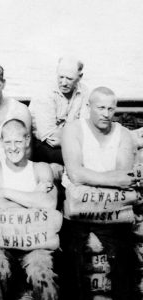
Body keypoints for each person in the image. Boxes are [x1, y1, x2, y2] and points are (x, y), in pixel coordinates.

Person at [61, 87, 139, 299]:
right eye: (101, 107)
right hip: (77, 211)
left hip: (112, 210)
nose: (106, 113)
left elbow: (125, 175)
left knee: (124, 256)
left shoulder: (122, 133)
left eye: (111, 108)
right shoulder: (73, 129)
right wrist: (112, 180)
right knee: (70, 255)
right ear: (88, 107)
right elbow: (75, 174)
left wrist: (89, 178)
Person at [0, 119, 59, 300]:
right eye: (8, 142)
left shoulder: (41, 169)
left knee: (42, 273)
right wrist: (32, 199)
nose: (13, 147)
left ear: (27, 140)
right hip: (1, 244)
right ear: (1, 143)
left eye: (18, 141)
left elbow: (49, 205)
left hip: (37, 245)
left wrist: (5, 192)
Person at [29, 56, 89, 165]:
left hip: (67, 142)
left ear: (80, 77)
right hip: (41, 144)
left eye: (69, 78)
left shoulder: (84, 91)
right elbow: (50, 136)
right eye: (61, 77)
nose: (64, 83)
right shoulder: (45, 92)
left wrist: (67, 141)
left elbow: (85, 127)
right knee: (78, 159)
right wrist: (74, 138)